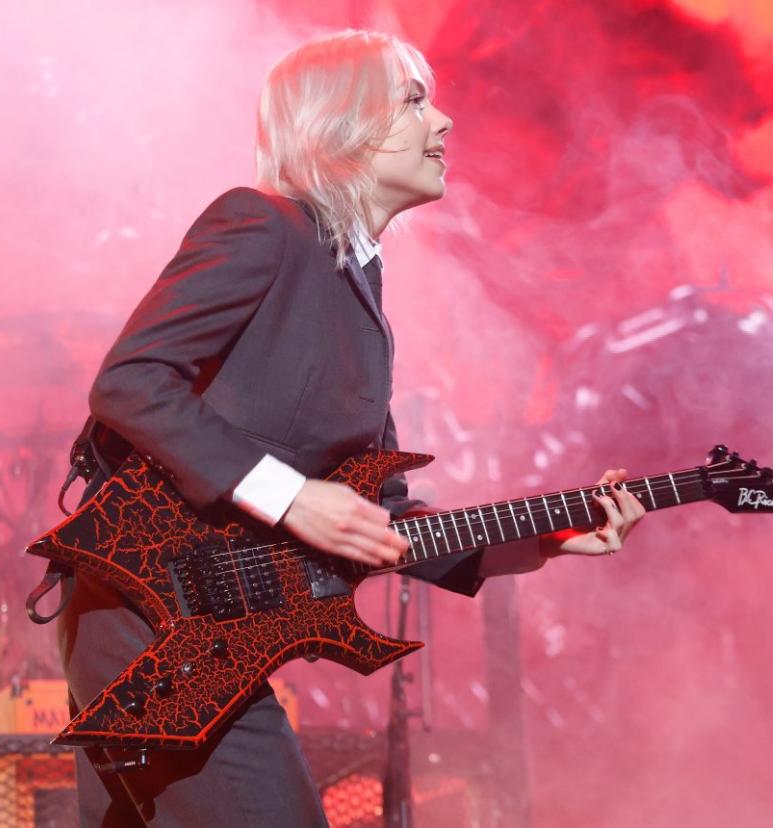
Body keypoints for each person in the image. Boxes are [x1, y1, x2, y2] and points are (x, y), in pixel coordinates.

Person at [54, 29, 645, 826]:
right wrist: (290, 498)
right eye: (413, 100)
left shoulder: (358, 295)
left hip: (209, 637)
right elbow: (129, 381)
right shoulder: (262, 225)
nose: (443, 123)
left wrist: (547, 539)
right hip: (147, 617)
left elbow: (385, 516)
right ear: (339, 124)